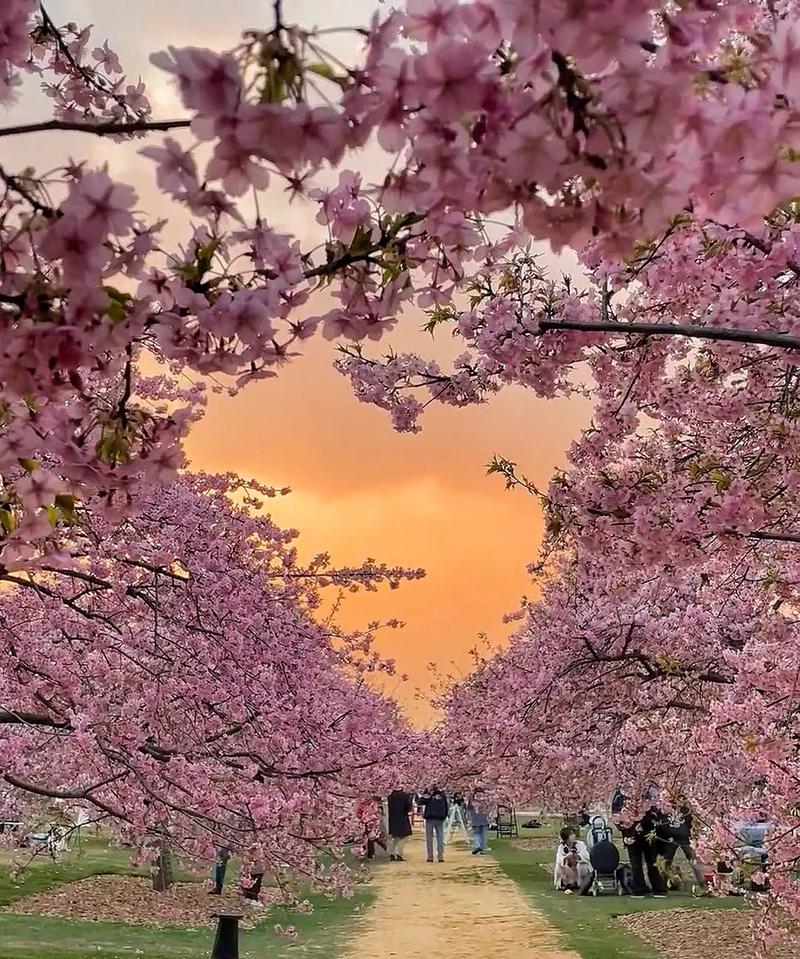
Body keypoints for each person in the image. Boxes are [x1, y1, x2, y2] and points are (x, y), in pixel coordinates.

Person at [617, 791, 667, 899]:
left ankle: (643, 889)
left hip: (638, 833)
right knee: (646, 862)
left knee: (643, 862)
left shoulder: (623, 796)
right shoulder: (647, 793)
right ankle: (655, 888)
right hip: (637, 833)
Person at [659, 801, 707, 890]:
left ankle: (702, 884)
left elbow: (691, 822)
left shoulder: (684, 810)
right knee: (667, 862)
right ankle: (663, 885)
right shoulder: (668, 809)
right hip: (674, 837)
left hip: (680, 837)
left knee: (691, 861)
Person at [554, 826, 592, 892]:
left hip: (578, 867)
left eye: (573, 834)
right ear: (567, 837)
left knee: (581, 866)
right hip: (568, 868)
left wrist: (576, 856)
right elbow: (559, 860)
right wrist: (566, 858)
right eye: (571, 834)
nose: (574, 836)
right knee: (560, 866)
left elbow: (586, 857)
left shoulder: (580, 844)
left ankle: (579, 883)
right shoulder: (561, 847)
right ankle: (569, 883)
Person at [419, 785, 449, 863]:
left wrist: (424, 796)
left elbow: (419, 802)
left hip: (430, 818)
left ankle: (430, 857)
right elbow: (446, 807)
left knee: (429, 838)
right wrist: (444, 816)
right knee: (440, 837)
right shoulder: (442, 795)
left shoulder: (429, 795)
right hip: (440, 817)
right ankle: (440, 856)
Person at [386, 787, 413, 862]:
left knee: (394, 837)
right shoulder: (405, 796)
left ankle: (392, 853)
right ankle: (398, 854)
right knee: (403, 837)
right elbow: (408, 808)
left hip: (392, 818)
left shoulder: (390, 795)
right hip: (402, 818)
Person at [467, 788, 491, 855]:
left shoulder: (472, 800)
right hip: (485, 819)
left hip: (475, 819)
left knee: (476, 834)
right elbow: (489, 808)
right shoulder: (486, 799)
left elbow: (469, 808)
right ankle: (483, 849)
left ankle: (477, 846)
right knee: (484, 835)